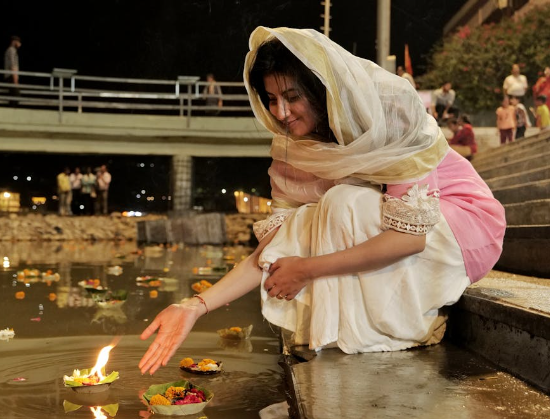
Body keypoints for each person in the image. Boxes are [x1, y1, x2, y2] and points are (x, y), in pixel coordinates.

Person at [138, 27, 505, 375]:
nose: (280, 113)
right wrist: (194, 306)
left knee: (343, 201)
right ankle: (353, 335)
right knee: (307, 217)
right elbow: (271, 248)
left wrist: (308, 268)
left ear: (320, 89)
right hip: (388, 232)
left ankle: (413, 325)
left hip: (459, 228)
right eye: (271, 99)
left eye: (292, 97)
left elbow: (410, 237)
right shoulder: (291, 153)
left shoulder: (387, 113)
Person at [4, 35, 21, 106]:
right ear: (14, 42)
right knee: (16, 96)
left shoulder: (13, 50)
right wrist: (15, 79)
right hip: (11, 76)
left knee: (14, 96)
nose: (20, 44)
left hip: (12, 76)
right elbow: (12, 65)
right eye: (18, 42)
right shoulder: (11, 50)